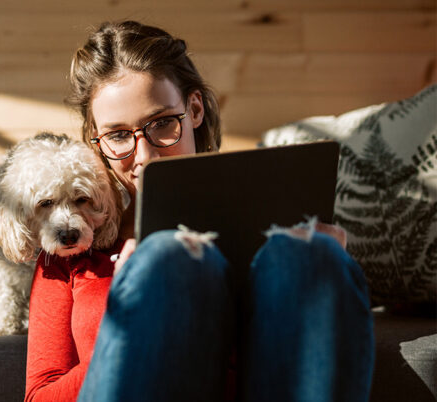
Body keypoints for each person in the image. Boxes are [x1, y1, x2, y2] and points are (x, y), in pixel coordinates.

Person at [24, 20, 374, 402]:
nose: (145, 156)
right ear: (96, 139)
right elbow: (39, 396)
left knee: (311, 255)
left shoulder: (276, 242)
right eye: (118, 135)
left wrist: (326, 270)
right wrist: (130, 318)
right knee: (168, 257)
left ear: (193, 110)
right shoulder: (69, 251)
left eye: (160, 124)